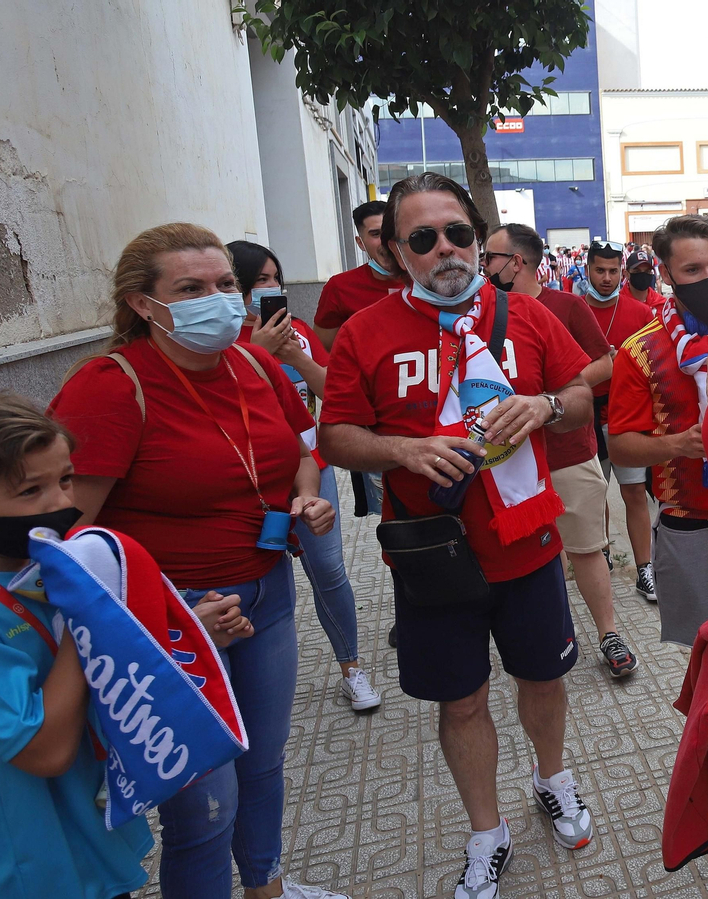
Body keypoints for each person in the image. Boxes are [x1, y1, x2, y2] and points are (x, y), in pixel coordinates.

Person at [318, 174, 598, 899]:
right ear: (396, 251)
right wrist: (401, 451)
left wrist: (542, 406)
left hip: (528, 543)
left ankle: (552, 776)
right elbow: (336, 436)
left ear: (478, 237)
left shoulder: (526, 317)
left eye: (459, 233)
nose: (445, 249)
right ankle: (486, 829)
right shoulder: (366, 331)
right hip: (432, 554)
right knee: (462, 700)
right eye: (423, 238)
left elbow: (583, 392)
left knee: (544, 677)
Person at [49, 223, 344, 899]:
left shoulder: (257, 364)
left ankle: (266, 885)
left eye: (225, 285)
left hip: (266, 594)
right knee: (205, 804)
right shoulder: (110, 387)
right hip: (173, 621)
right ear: (142, 305)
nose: (218, 300)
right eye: (191, 288)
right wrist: (163, 616)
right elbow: (67, 540)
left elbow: (305, 447)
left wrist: (307, 500)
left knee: (264, 762)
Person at [0, 394, 156, 899]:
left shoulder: (39, 568)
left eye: (65, 479)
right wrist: (92, 616)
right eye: (31, 490)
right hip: (15, 859)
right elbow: (41, 749)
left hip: (83, 833)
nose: (62, 504)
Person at [229, 240, 382, 711]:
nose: (270, 289)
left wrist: (296, 358)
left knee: (329, 570)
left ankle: (351, 668)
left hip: (312, 468)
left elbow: (332, 392)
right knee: (264, 583)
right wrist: (255, 352)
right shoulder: (222, 343)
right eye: (258, 281)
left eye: (275, 279)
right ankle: (249, 685)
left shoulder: (296, 332)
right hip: (249, 487)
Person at [483, 223, 640, 678]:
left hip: (567, 452)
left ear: (515, 263)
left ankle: (609, 632)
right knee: (529, 557)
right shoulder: (478, 312)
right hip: (507, 462)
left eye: (490, 258)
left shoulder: (566, 305)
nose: (482, 266)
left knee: (588, 547)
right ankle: (542, 639)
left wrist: (552, 397)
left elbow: (604, 361)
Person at [605, 215, 708, 647]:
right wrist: (681, 444)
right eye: (693, 270)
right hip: (690, 521)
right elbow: (619, 447)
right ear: (665, 273)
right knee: (704, 648)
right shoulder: (640, 351)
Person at [582, 240, 658, 600]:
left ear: (623, 274)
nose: (607, 278)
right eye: (600, 270)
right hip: (588, 419)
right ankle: (603, 557)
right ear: (587, 270)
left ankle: (645, 568)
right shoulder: (573, 311)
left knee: (634, 494)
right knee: (596, 494)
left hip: (629, 418)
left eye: (614, 271)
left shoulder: (641, 313)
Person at [312, 200, 406, 349]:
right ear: (360, 243)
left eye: (391, 232)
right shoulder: (339, 287)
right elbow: (323, 351)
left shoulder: (424, 280)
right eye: (376, 234)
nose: (386, 241)